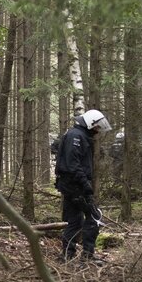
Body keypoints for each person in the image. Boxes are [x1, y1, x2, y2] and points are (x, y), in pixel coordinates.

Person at [54, 109, 111, 262]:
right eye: (97, 127)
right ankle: (87, 255)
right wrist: (85, 184)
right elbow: (73, 164)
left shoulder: (78, 135)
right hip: (74, 185)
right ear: (90, 124)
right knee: (94, 216)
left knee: (74, 220)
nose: (98, 131)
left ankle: (67, 255)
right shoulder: (76, 136)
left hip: (71, 184)